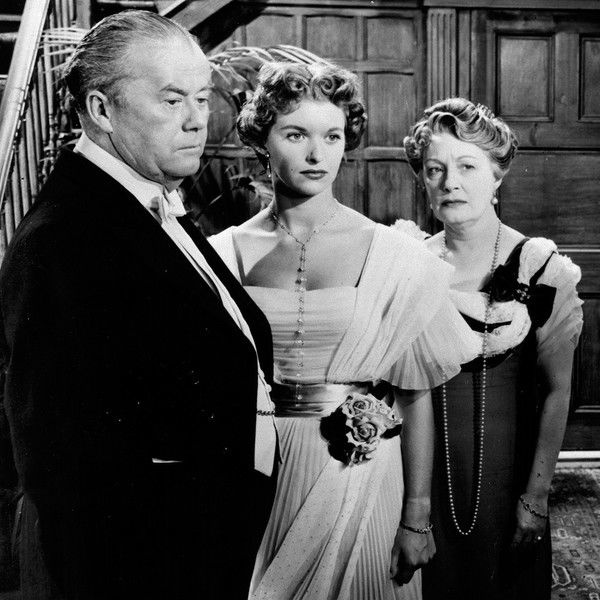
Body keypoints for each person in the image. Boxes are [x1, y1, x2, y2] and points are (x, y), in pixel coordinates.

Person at [0, 11, 276, 600]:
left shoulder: (145, 201)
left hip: (210, 550)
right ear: (101, 110)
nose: (198, 119)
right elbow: (64, 470)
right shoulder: (63, 239)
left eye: (201, 98)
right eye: (172, 100)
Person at [210, 62, 480, 600]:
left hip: (363, 473)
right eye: (296, 135)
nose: (317, 154)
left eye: (332, 136)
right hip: (258, 471)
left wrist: (417, 518)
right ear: (262, 140)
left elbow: (415, 395)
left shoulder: (392, 254)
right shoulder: (221, 253)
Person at [402, 98, 583, 600]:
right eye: (435, 170)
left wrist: (536, 496)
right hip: (422, 474)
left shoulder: (540, 267)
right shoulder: (409, 264)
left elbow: (558, 392)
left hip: (508, 475)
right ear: (422, 180)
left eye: (467, 167)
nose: (450, 183)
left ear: (497, 176)